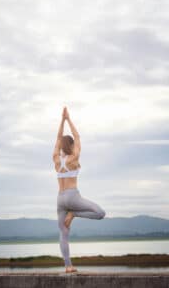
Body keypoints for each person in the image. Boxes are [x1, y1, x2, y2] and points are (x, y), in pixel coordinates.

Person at [52, 107, 106, 273]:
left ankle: (68, 266)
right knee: (100, 213)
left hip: (60, 198)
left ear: (61, 145)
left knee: (63, 233)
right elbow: (77, 136)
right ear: (72, 145)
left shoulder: (56, 158)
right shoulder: (74, 158)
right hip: (73, 196)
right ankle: (74, 214)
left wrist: (62, 120)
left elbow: (57, 137)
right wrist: (68, 119)